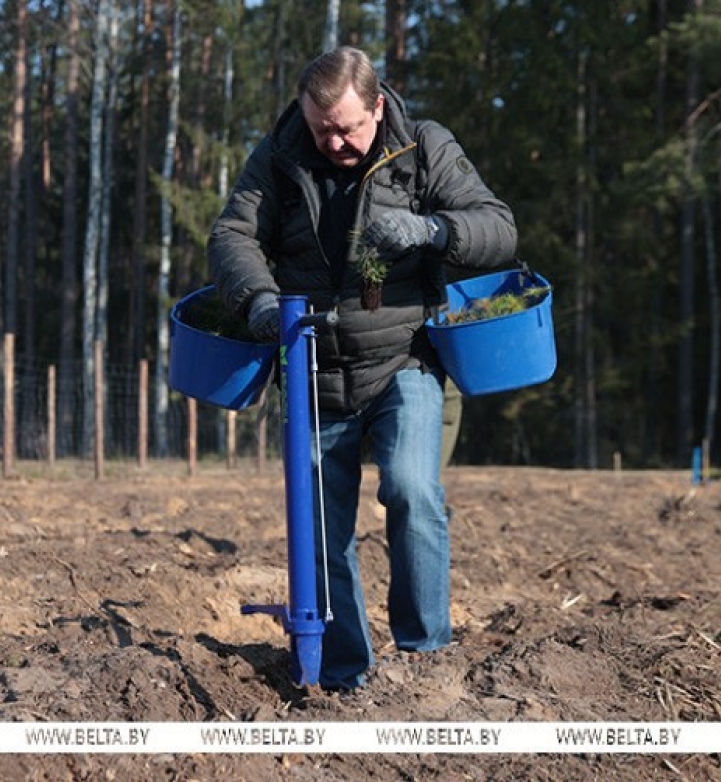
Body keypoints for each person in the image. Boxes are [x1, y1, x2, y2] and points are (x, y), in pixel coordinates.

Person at [208, 46, 517, 690]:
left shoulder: (424, 147)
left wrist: (433, 232)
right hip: (314, 366)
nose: (336, 142)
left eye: (348, 127)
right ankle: (347, 674)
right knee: (320, 527)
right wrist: (261, 300)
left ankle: (424, 659)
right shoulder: (278, 158)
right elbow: (232, 236)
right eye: (323, 130)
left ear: (378, 105)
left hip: (403, 357)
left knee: (411, 489)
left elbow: (498, 228)